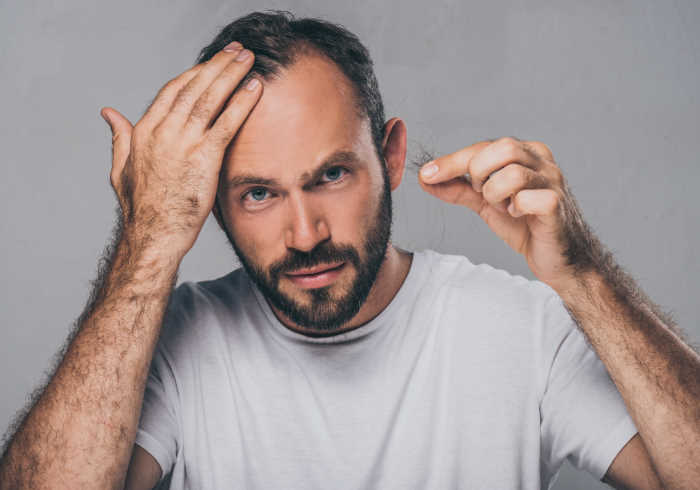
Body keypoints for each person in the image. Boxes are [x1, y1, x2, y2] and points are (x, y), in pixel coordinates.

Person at [0, 10, 697, 490]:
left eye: (331, 176)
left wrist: (583, 277)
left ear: (391, 157)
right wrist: (145, 246)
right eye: (258, 194)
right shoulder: (175, 340)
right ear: (209, 201)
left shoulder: (521, 329)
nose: (305, 236)